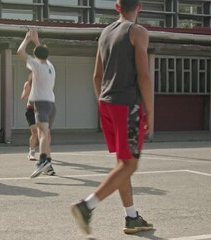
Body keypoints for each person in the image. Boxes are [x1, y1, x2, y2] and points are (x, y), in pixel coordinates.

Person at [70, 0, 153, 236]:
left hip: (106, 103)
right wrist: (150, 112)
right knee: (130, 164)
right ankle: (86, 206)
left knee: (122, 164)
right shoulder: (138, 31)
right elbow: (144, 76)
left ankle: (132, 217)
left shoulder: (104, 33)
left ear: (117, 7)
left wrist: (103, 103)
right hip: (127, 104)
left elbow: (97, 75)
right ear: (140, 6)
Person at [17, 29, 56, 178]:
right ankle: (49, 165)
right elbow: (42, 53)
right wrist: (37, 42)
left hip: (41, 104)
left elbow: (20, 52)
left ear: (35, 56)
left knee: (42, 134)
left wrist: (27, 39)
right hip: (52, 105)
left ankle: (43, 161)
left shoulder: (37, 66)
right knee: (44, 135)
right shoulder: (50, 66)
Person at [21, 73, 38, 161]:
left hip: (40, 110)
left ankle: (46, 153)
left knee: (45, 133)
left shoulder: (42, 85)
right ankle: (31, 152)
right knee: (34, 132)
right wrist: (27, 91)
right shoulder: (28, 84)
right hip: (31, 110)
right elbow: (23, 98)